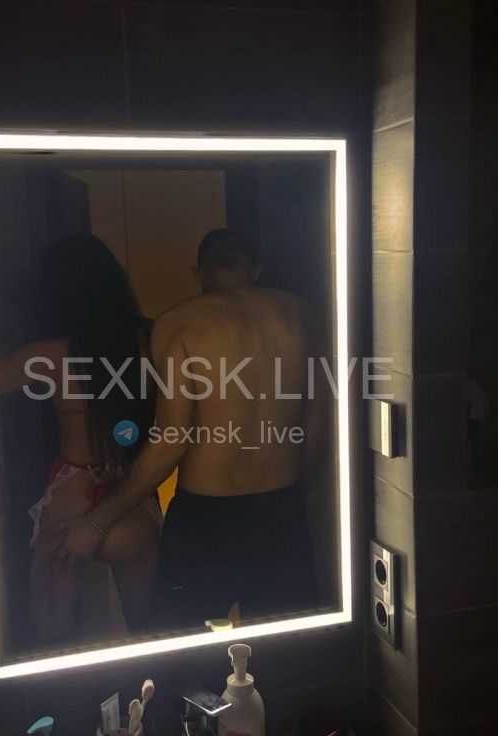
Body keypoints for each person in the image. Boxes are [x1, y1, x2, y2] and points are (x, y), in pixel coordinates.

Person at [52, 229, 324, 629]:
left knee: (184, 646)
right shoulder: (304, 317)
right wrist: (297, 494)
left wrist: (97, 522)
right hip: (281, 511)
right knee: (284, 646)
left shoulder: (179, 324)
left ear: (200, 273)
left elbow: (171, 441)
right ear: (256, 269)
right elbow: (316, 426)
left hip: (206, 519)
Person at [0, 233, 162, 641]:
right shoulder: (150, 339)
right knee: (146, 629)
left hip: (73, 484)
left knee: (53, 633)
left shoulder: (48, 355)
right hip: (131, 490)